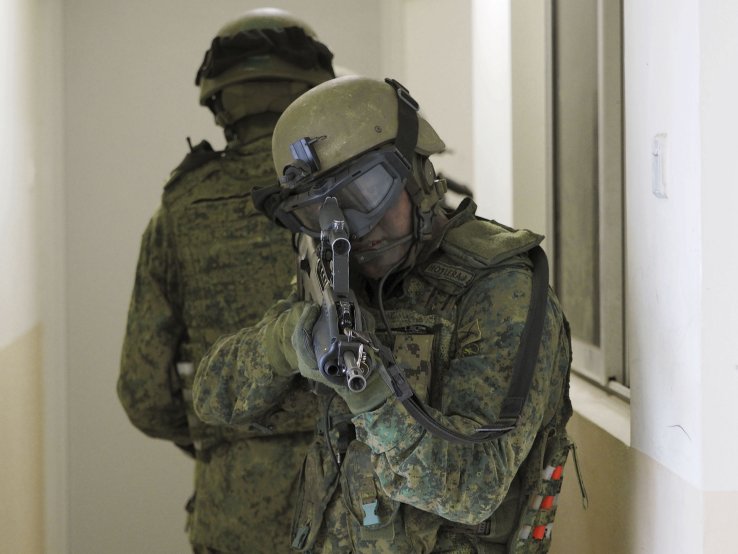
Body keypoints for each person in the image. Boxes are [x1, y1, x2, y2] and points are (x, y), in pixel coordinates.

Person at [193, 76, 574, 553]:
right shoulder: (340, 284)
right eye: (321, 210)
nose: (356, 228)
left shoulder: (499, 291)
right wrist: (287, 342)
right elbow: (214, 399)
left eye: (367, 191)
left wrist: (372, 393)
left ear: (417, 174)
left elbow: (472, 489)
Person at [117, 9, 335, 553]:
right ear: (314, 93)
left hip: (234, 505)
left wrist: (217, 434)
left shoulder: (181, 210)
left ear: (218, 102)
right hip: (353, 492)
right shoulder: (355, 195)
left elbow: (142, 392)